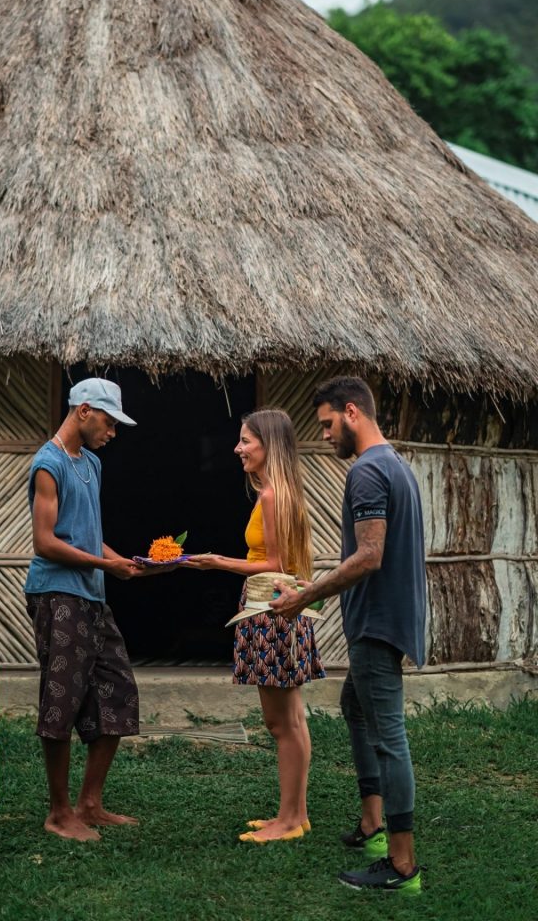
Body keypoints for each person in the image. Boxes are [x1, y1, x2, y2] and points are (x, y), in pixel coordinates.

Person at [271, 376, 425, 895]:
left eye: (328, 424)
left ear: (353, 412)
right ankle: (372, 822)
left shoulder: (366, 472)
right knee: (355, 708)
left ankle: (401, 867)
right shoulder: (397, 464)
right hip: (391, 615)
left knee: (388, 736)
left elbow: (369, 555)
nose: (326, 436)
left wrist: (304, 595)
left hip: (376, 621)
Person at [186, 408, 326, 843]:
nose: (238, 448)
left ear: (268, 445)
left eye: (246, 441)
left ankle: (286, 822)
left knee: (281, 723)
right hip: (283, 610)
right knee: (294, 719)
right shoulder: (284, 491)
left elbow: (275, 564)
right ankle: (296, 815)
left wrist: (214, 561)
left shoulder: (271, 496)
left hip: (271, 611)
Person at [26, 377, 144, 842]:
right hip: (57, 594)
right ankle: (59, 812)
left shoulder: (91, 463)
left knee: (118, 690)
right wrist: (105, 565)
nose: (112, 432)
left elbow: (86, 533)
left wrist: (121, 562)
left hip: (91, 594)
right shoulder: (47, 464)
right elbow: (46, 542)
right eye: (109, 421)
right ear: (84, 411)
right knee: (61, 700)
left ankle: (89, 803)